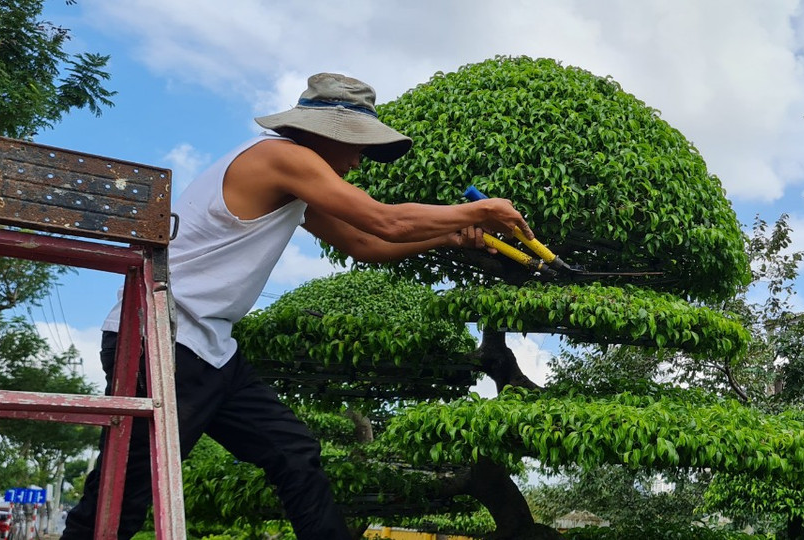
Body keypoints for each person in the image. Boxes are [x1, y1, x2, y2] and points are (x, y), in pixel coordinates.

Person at [60, 73, 533, 539]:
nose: (360, 160)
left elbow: (364, 244)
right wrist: (482, 209)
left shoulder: (295, 181)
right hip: (163, 341)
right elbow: (384, 220)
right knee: (122, 497)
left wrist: (449, 236)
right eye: (357, 146)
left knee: (293, 451)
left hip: (210, 348)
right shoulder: (279, 157)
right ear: (326, 132)